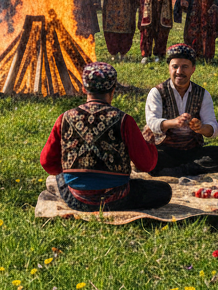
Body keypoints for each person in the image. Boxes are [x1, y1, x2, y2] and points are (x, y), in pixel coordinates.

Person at [39, 62, 171, 211]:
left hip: (77, 200)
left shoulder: (64, 118)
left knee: (59, 178)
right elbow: (146, 165)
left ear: (84, 88)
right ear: (113, 90)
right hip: (116, 200)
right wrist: (149, 143)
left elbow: (47, 162)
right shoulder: (124, 120)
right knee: (164, 190)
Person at [143, 43, 218, 177]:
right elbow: (152, 123)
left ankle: (180, 170)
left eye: (185, 67)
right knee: (148, 156)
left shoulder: (202, 94)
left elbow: (213, 128)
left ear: (193, 69)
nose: (179, 72)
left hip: (191, 151)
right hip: (164, 150)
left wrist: (201, 127)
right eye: (175, 67)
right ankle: (190, 169)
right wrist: (174, 122)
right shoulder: (157, 92)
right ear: (169, 68)